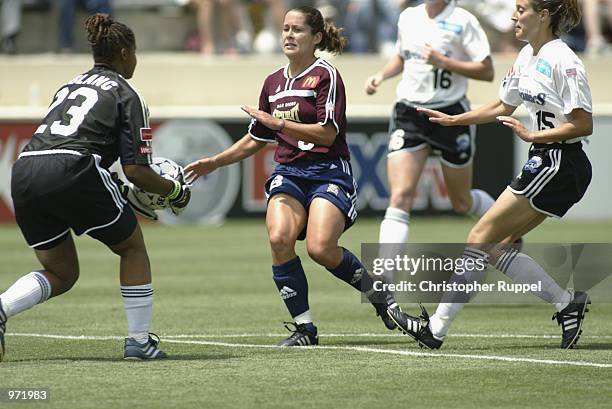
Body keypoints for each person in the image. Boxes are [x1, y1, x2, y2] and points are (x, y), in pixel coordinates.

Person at [185, 6, 401, 346]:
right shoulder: (273, 82)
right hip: (289, 171)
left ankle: (375, 291)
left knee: (319, 248)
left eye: (297, 30)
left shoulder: (325, 75)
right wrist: (215, 161)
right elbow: (258, 137)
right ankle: (305, 328)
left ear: (316, 38)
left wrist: (280, 124)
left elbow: (328, 133)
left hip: (328, 170)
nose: (288, 35)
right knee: (278, 239)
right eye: (285, 28)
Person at [388, 0, 593, 350]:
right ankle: (567, 303)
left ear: (543, 16)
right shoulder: (527, 56)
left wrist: (534, 135)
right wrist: (455, 120)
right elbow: (502, 105)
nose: (514, 15)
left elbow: (583, 123)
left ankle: (435, 329)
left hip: (559, 162)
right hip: (546, 160)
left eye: (521, 8)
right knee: (497, 248)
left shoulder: (564, 60)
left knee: (479, 235)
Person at [0, 14, 190, 361]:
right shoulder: (127, 93)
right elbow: (136, 170)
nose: (135, 60)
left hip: (25, 170)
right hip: (73, 167)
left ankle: (1, 308)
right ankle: (138, 341)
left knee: (62, 272)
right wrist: (174, 191)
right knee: (132, 248)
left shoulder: (70, 85)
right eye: (134, 53)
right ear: (123, 53)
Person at [364, 0, 497, 256]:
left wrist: (444, 62)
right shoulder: (409, 17)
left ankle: (506, 228)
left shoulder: (463, 20)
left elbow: (487, 70)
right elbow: (402, 56)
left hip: (449, 113)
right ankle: (385, 279)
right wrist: (381, 76)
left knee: (461, 202)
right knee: (400, 195)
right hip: (409, 113)